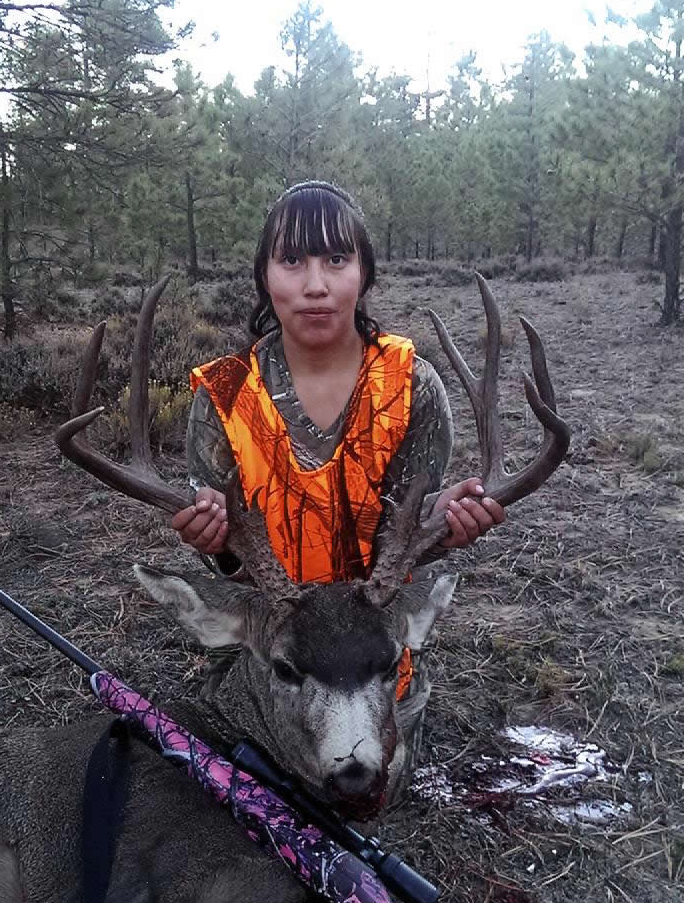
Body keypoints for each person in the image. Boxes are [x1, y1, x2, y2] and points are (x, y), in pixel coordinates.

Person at [170, 180, 505, 776]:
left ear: (364, 272)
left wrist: (442, 524)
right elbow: (231, 565)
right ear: (264, 276)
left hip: (373, 656)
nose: (315, 284)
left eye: (336, 259)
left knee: (367, 791)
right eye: (292, 260)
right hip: (277, 657)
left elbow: (403, 535)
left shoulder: (410, 386)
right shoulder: (225, 394)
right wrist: (216, 540)